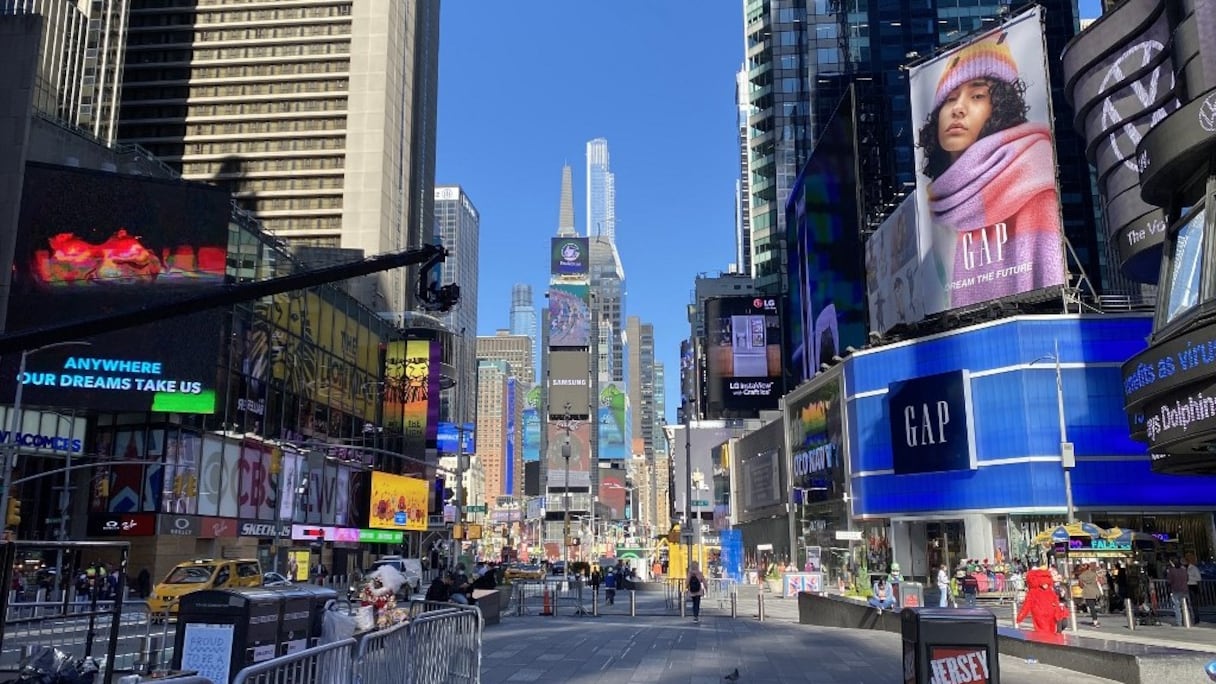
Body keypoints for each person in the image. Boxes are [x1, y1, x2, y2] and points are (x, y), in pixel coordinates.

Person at [916, 32, 1063, 309]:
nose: (958, 109)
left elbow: (1049, 279)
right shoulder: (934, 208)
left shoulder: (1031, 175)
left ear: (1000, 107)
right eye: (949, 99)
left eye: (977, 95)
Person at [1016, 568, 1069, 634]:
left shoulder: (1049, 590)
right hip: (1040, 615)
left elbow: (1055, 602)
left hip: (1051, 615)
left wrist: (1058, 614)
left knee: (1052, 630)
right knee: (1043, 631)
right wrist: (1021, 616)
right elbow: (1026, 605)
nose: (1045, 584)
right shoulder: (1033, 592)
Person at [1167, 558, 1190, 626]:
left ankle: (1179, 622)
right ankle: (1187, 620)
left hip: (1176, 590)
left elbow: (1169, 581)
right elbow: (1187, 578)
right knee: (1185, 606)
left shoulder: (1172, 571)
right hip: (1184, 589)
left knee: (1177, 607)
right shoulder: (1184, 570)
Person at [1077, 562, 1102, 628]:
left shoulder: (1081, 576)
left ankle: (1095, 621)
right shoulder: (1094, 574)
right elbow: (1099, 581)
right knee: (1093, 606)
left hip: (1088, 593)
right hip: (1095, 592)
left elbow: (1081, 586)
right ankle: (1095, 620)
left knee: (1091, 608)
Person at [1186, 553, 1203, 623]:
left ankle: (1196, 618)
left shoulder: (1194, 568)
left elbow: (1199, 578)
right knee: (1188, 603)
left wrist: (1189, 577)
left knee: (1194, 603)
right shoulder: (1185, 568)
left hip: (1193, 586)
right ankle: (1191, 617)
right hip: (1187, 586)